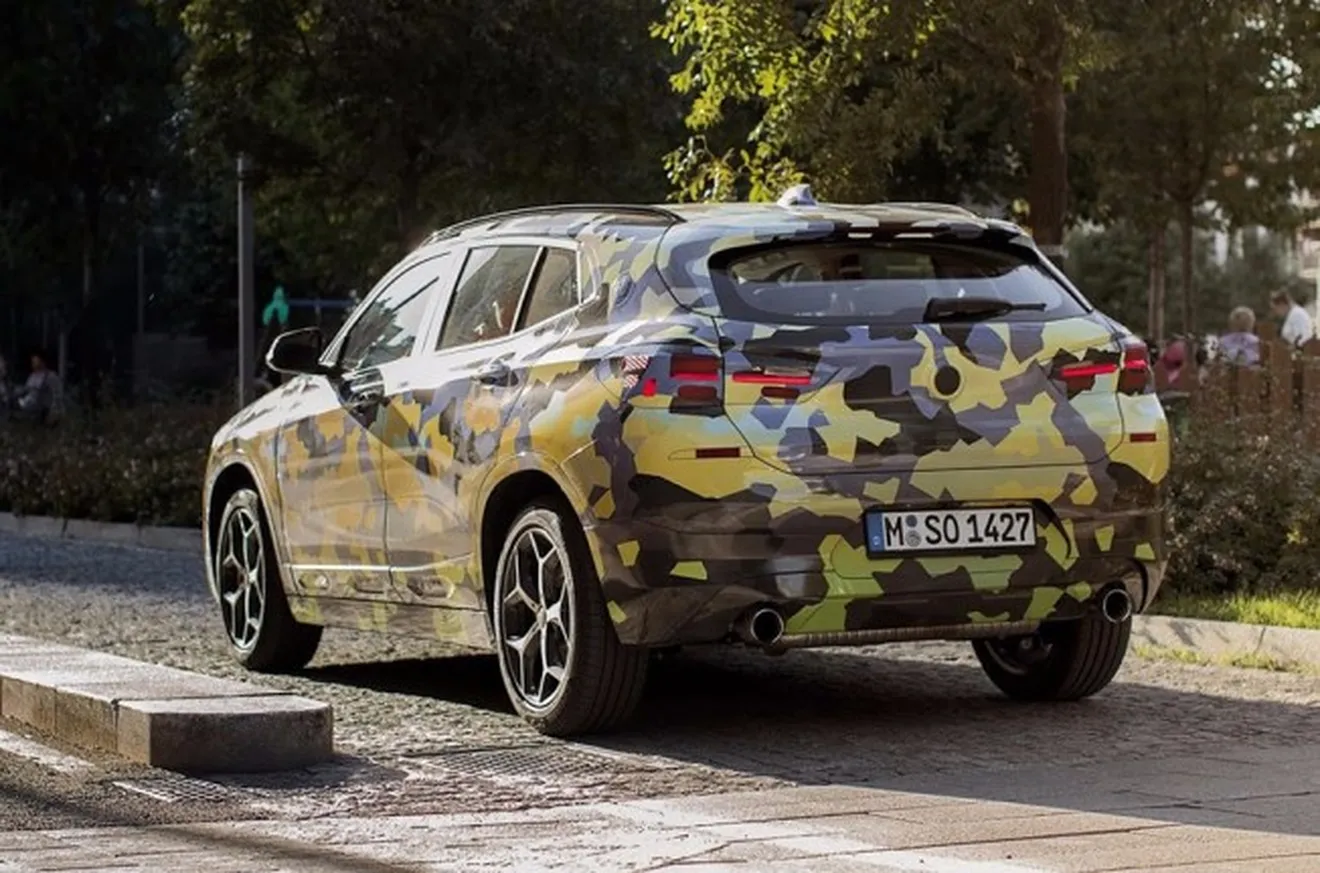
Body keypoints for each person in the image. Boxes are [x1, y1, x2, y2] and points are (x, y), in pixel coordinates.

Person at [15, 350, 63, 424]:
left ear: (42, 361)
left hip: (44, 409)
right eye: (32, 361)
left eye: (35, 361)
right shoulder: (32, 376)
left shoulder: (50, 376)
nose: (33, 363)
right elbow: (26, 390)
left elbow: (56, 394)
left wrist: (54, 410)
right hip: (30, 408)